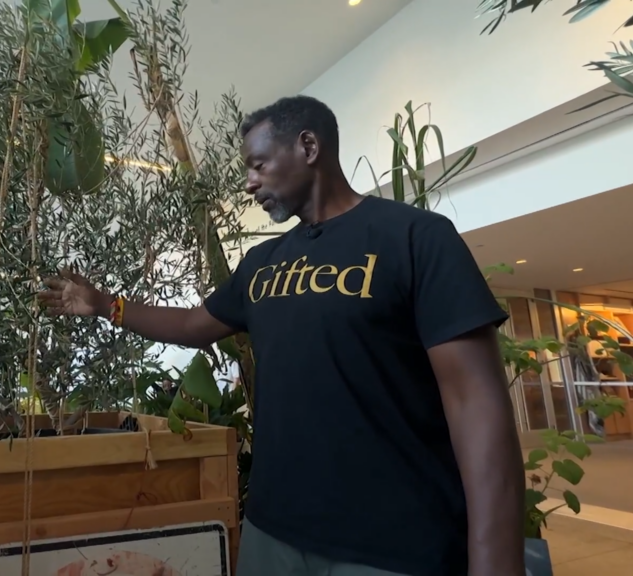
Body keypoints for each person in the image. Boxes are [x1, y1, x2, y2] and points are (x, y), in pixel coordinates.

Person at [38, 95, 525, 575]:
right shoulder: (261, 264)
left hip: (393, 543)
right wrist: (106, 305)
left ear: (308, 146)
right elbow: (192, 325)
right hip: (273, 534)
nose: (249, 183)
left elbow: (475, 405)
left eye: (258, 164)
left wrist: (496, 560)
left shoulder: (415, 238)